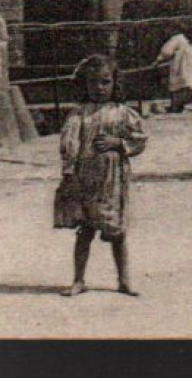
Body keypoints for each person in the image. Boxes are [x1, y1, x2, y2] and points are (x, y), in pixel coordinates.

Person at [56, 54, 146, 296]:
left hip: (112, 180)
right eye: (93, 82)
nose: (99, 88)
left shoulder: (123, 113)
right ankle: (78, 279)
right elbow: (70, 143)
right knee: (85, 231)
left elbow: (138, 139)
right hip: (86, 178)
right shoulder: (79, 114)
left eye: (105, 82)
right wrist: (69, 171)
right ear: (84, 85)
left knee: (116, 231)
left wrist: (118, 142)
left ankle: (124, 280)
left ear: (115, 83)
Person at [154, 31, 192, 112]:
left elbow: (167, 51)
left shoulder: (176, 38)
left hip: (183, 64)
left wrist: (158, 60)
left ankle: (175, 106)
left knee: (175, 84)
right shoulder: (186, 40)